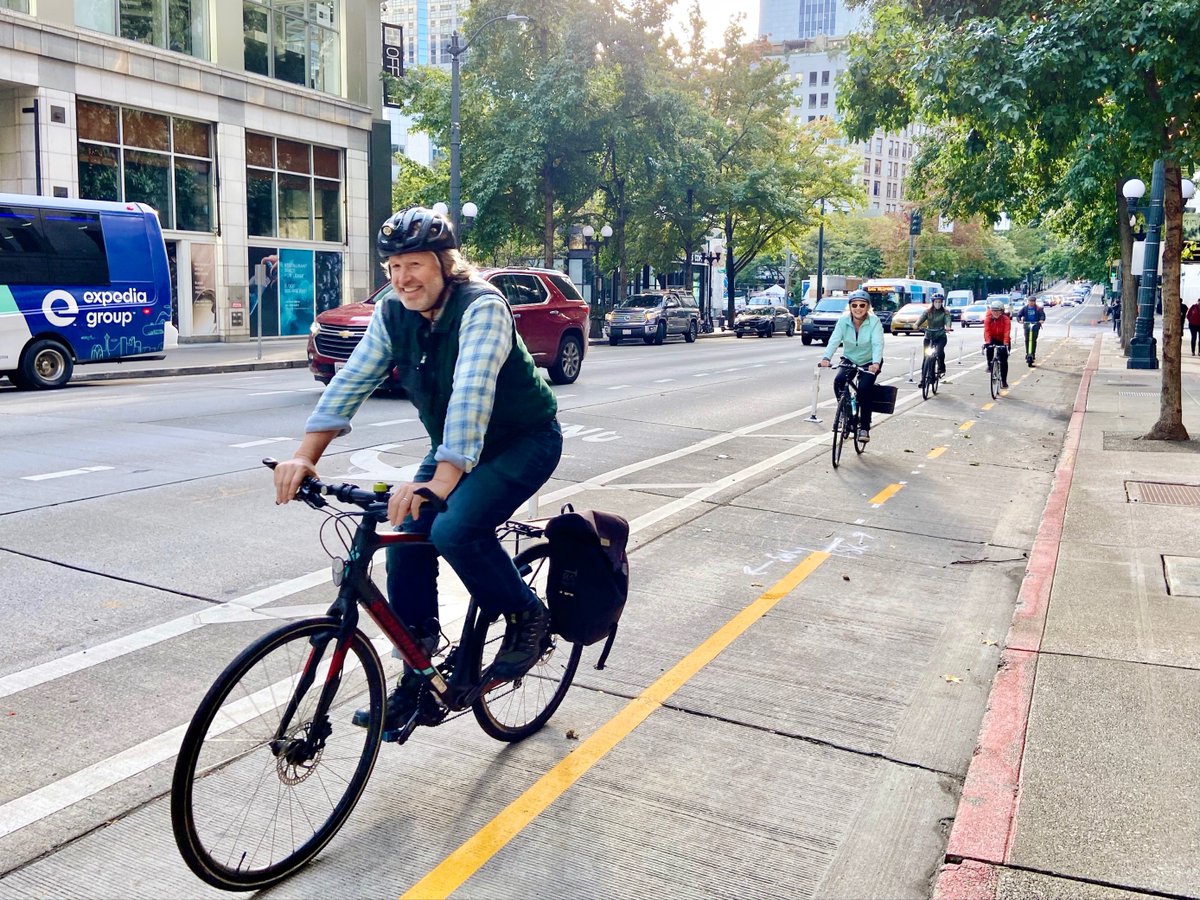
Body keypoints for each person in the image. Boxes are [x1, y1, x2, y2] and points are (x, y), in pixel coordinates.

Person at [272, 206, 563, 732]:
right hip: (454, 444)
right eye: (392, 268)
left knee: (453, 528)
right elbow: (351, 380)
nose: (402, 279)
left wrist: (440, 481)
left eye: (414, 265)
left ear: (445, 263)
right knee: (406, 530)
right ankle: (420, 665)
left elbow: (472, 395)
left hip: (523, 440)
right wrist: (304, 455)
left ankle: (526, 615)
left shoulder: (482, 307)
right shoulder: (394, 314)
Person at [818, 288, 884, 443]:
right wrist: (826, 357)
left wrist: (875, 363)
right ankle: (845, 413)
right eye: (854, 305)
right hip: (849, 358)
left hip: (870, 361)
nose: (858, 309)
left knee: (864, 391)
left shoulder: (874, 322)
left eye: (862, 305)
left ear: (868, 307)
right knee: (839, 381)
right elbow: (835, 339)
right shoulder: (843, 321)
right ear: (850, 307)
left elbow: (877, 343)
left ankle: (864, 428)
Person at [916, 291, 951, 385]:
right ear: (933, 302)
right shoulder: (927, 312)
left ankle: (941, 368)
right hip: (929, 336)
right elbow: (921, 318)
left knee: (939, 351)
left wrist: (948, 327)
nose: (938, 303)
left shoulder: (945, 312)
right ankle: (923, 380)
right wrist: (916, 325)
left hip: (940, 336)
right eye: (936, 301)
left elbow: (948, 320)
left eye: (939, 302)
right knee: (926, 357)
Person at [983, 298, 1012, 389]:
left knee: (1003, 360)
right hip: (993, 338)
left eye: (997, 311)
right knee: (989, 348)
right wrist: (987, 342)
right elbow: (987, 331)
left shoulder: (1006, 319)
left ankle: (1004, 381)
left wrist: (1006, 343)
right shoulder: (988, 319)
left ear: (1002, 311)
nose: (995, 313)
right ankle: (989, 364)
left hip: (1003, 339)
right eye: (993, 311)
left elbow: (1007, 332)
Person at [1014, 294, 1045, 365]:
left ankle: (1033, 353)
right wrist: (1019, 320)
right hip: (1027, 326)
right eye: (1030, 301)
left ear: (1035, 302)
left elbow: (1042, 315)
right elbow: (1019, 315)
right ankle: (1028, 353)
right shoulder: (1025, 308)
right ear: (1028, 301)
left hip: (1035, 326)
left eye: (1033, 301)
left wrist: (1041, 320)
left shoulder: (1038, 308)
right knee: (1027, 340)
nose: (1031, 302)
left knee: (1033, 340)